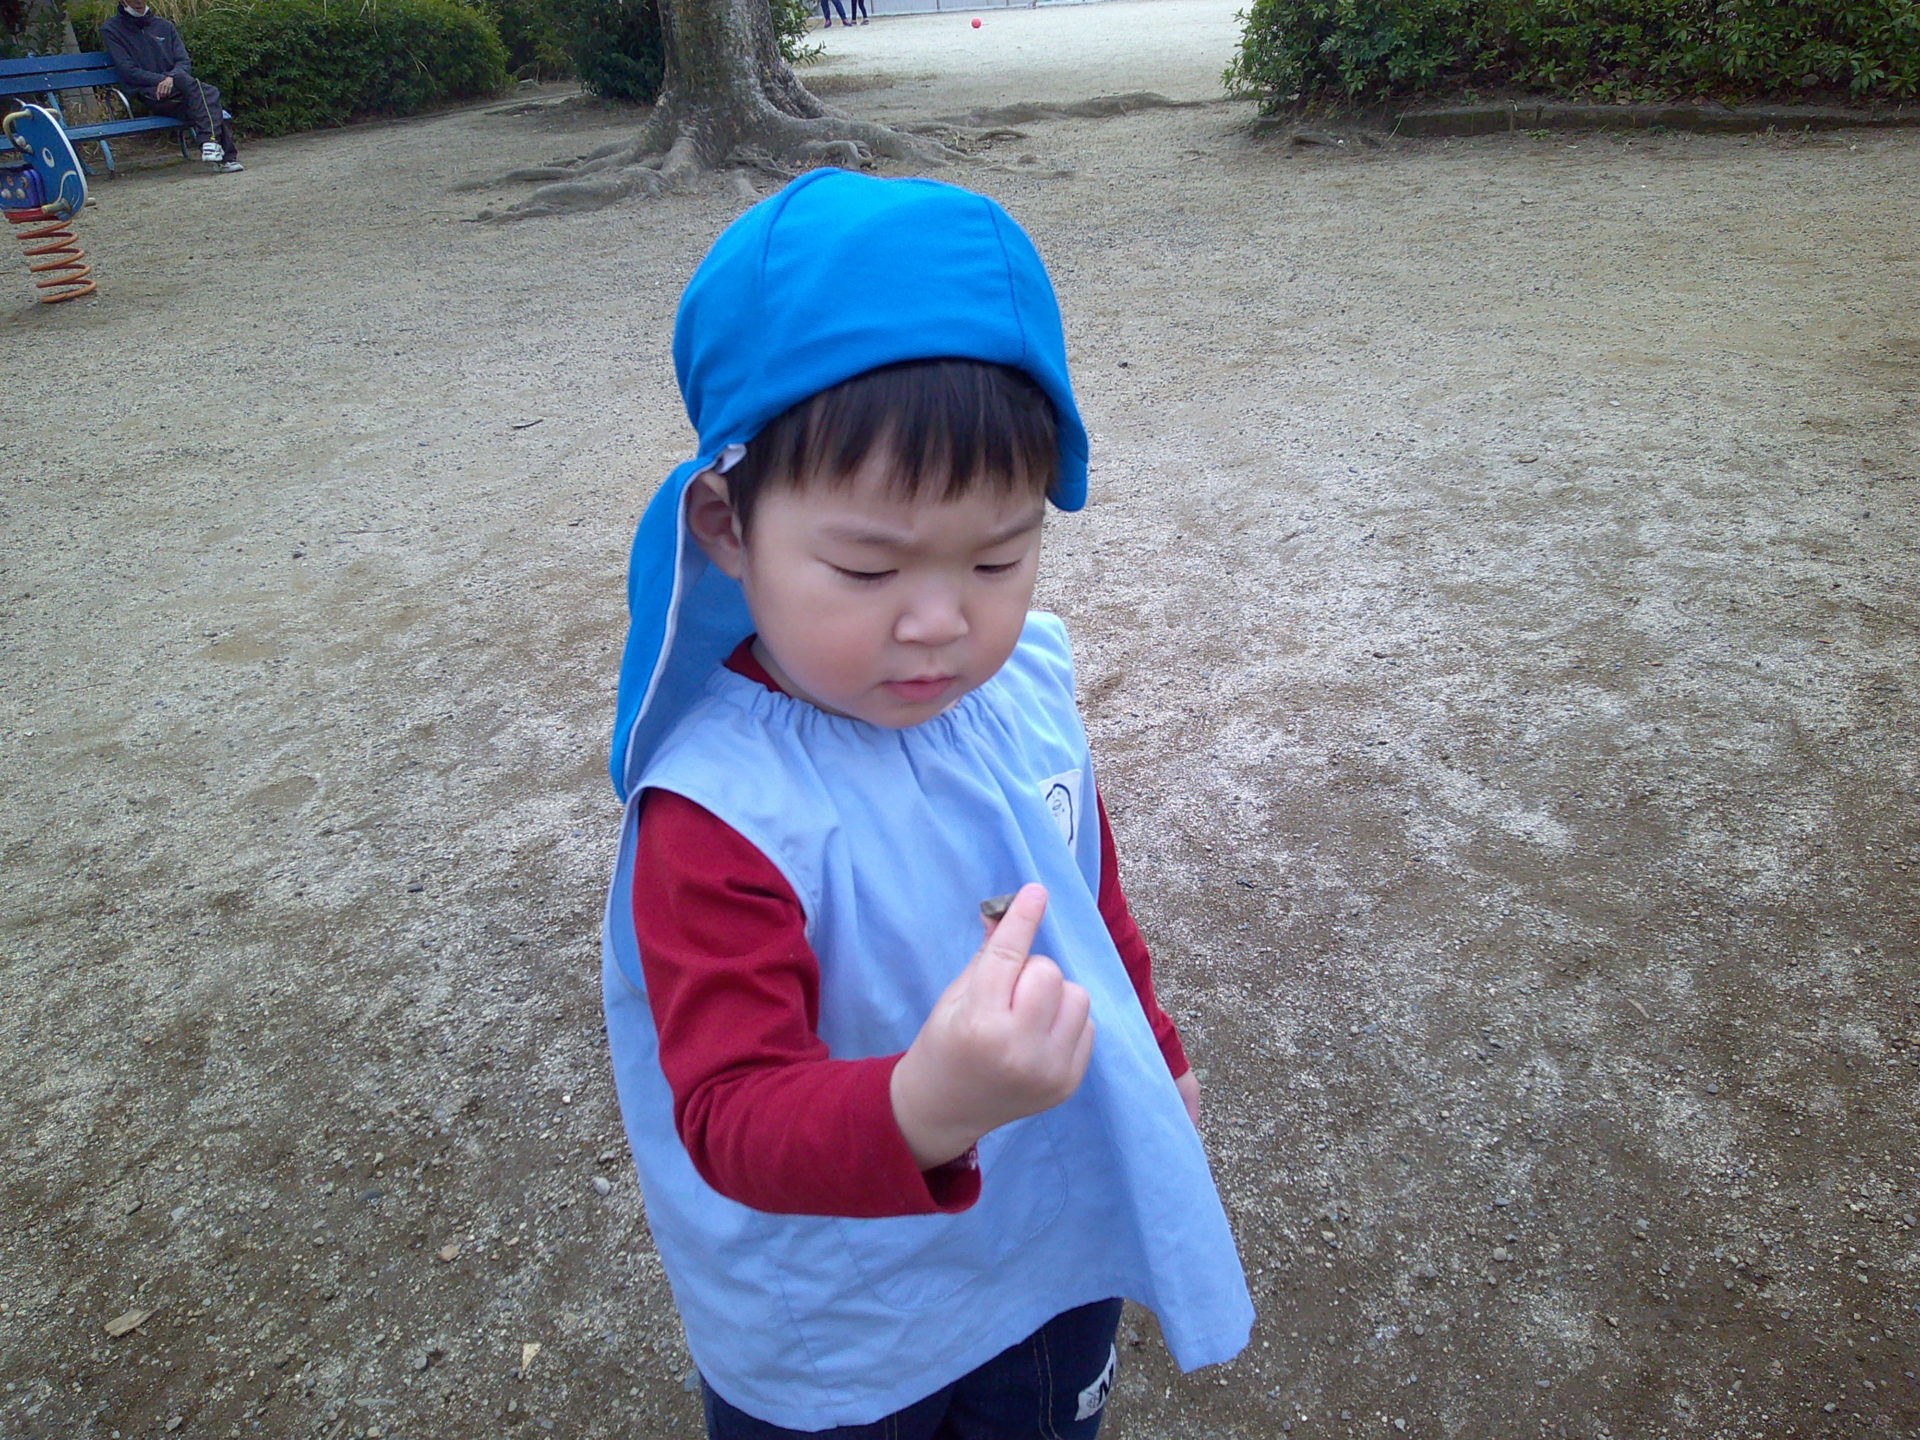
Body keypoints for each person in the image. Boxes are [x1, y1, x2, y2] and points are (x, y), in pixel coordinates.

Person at [602, 170, 1252, 1439]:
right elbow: (727, 1111)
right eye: (867, 566)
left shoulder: (1023, 694)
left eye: (998, 555)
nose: (941, 622)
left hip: (1049, 1245)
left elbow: (1086, 903)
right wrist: (925, 1106)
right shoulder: (721, 811)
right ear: (727, 527)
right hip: (846, 1319)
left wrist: (1158, 1050)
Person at [98, 0, 242, 172]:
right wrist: (162, 80)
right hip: (149, 92)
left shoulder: (164, 25)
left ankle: (215, 150)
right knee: (207, 94)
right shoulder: (111, 29)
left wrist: (171, 78)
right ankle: (217, 149)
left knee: (202, 98)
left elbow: (183, 62)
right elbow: (128, 70)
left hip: (178, 86)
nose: (138, 1)